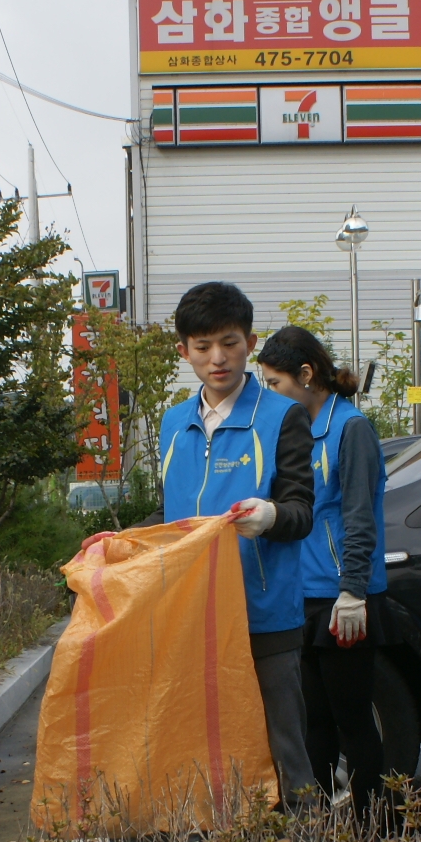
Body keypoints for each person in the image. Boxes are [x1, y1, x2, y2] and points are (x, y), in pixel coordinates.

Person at [157, 282, 316, 804]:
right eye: (202, 347)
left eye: (229, 343)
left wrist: (270, 516)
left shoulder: (281, 416)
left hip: (263, 613)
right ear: (184, 351)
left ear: (250, 341)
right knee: (205, 743)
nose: (217, 358)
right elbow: (169, 520)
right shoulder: (173, 425)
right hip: (192, 613)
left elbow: (302, 514)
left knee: (283, 746)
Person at [256, 325, 389, 822]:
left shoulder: (350, 430)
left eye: (275, 383)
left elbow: (359, 518)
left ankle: (371, 832)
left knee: (353, 721)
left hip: (343, 599)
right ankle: (320, 836)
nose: (269, 393)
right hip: (301, 597)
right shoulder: (291, 432)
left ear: (306, 375)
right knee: (313, 724)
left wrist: (353, 590)